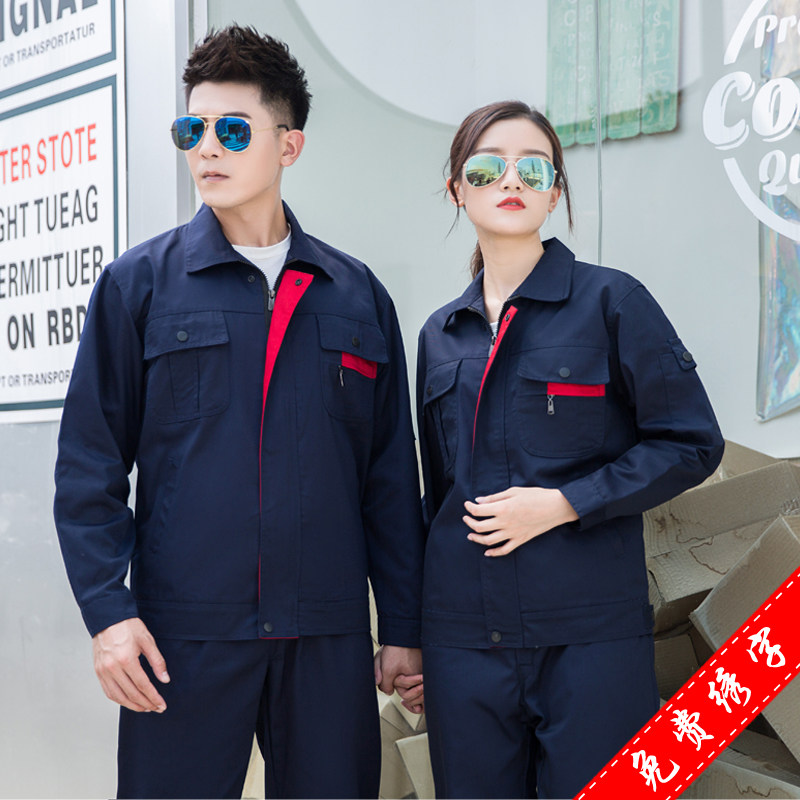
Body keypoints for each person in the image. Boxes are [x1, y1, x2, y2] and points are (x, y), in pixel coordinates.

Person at [54, 25, 425, 800]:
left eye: (232, 130)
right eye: (191, 130)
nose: (206, 149)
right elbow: (89, 468)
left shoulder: (356, 296)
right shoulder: (138, 286)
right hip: (182, 637)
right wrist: (108, 613)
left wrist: (403, 626)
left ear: (289, 146)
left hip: (325, 636)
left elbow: (389, 480)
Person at [416, 100, 724, 799]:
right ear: (457, 189)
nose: (511, 180)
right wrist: (415, 636)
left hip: (590, 638)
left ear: (555, 193)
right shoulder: (440, 335)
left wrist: (564, 503)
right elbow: (437, 496)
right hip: (465, 643)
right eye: (487, 168)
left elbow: (690, 442)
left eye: (534, 168)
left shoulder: (613, 302)